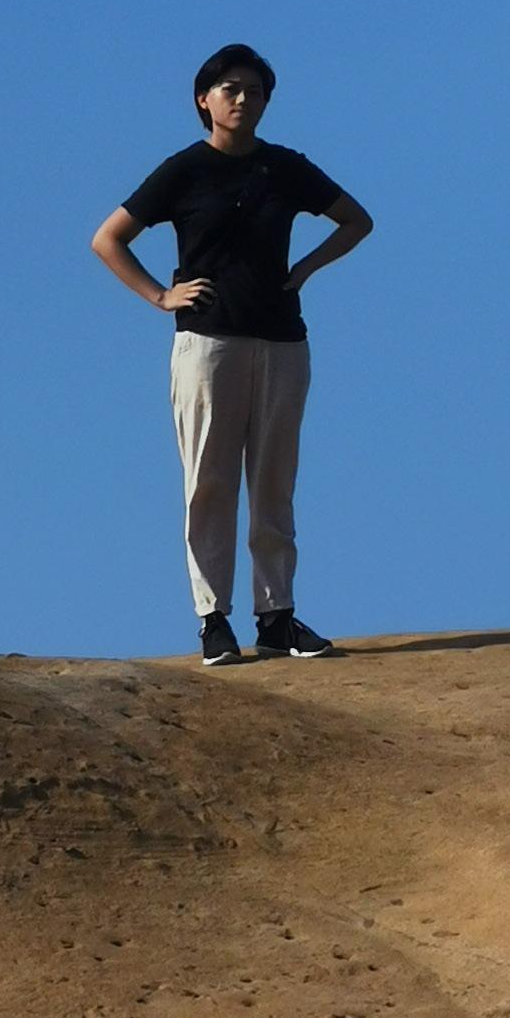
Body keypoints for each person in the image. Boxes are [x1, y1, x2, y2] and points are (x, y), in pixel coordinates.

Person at [90, 41, 372, 665]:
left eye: (255, 91)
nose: (244, 99)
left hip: (281, 340)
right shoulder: (184, 171)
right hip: (207, 341)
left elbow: (356, 220)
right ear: (204, 100)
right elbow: (108, 239)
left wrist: (306, 269)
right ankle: (213, 619)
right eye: (231, 89)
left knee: (274, 481)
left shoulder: (285, 168)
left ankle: (277, 616)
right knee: (210, 482)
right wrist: (160, 295)